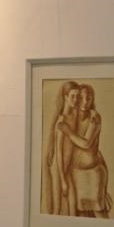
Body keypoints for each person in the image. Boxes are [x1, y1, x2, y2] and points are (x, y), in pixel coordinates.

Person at [57, 84, 112, 218]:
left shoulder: (95, 117)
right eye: (81, 98)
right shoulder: (72, 118)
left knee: (100, 214)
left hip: (93, 175)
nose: (84, 101)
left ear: (92, 100)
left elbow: (86, 144)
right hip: (77, 176)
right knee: (82, 217)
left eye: (88, 98)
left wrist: (68, 131)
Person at [43, 80, 80, 215]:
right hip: (58, 168)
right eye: (72, 96)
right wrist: (63, 180)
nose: (75, 100)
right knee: (57, 208)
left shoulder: (75, 115)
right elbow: (58, 152)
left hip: (67, 167)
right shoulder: (61, 120)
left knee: (73, 205)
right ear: (65, 97)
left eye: (77, 96)